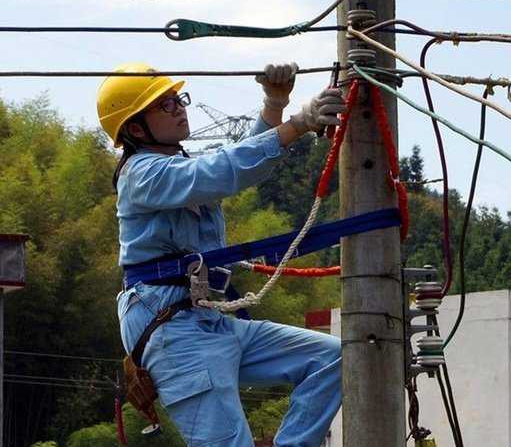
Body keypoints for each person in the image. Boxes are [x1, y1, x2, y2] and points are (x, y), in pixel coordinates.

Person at [97, 62, 347, 447]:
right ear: (134, 128)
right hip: (170, 327)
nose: (179, 108)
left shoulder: (174, 168)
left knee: (332, 358)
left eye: (177, 99)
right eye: (164, 105)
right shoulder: (141, 175)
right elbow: (220, 171)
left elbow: (228, 165)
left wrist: (273, 106)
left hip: (204, 317)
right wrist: (297, 124)